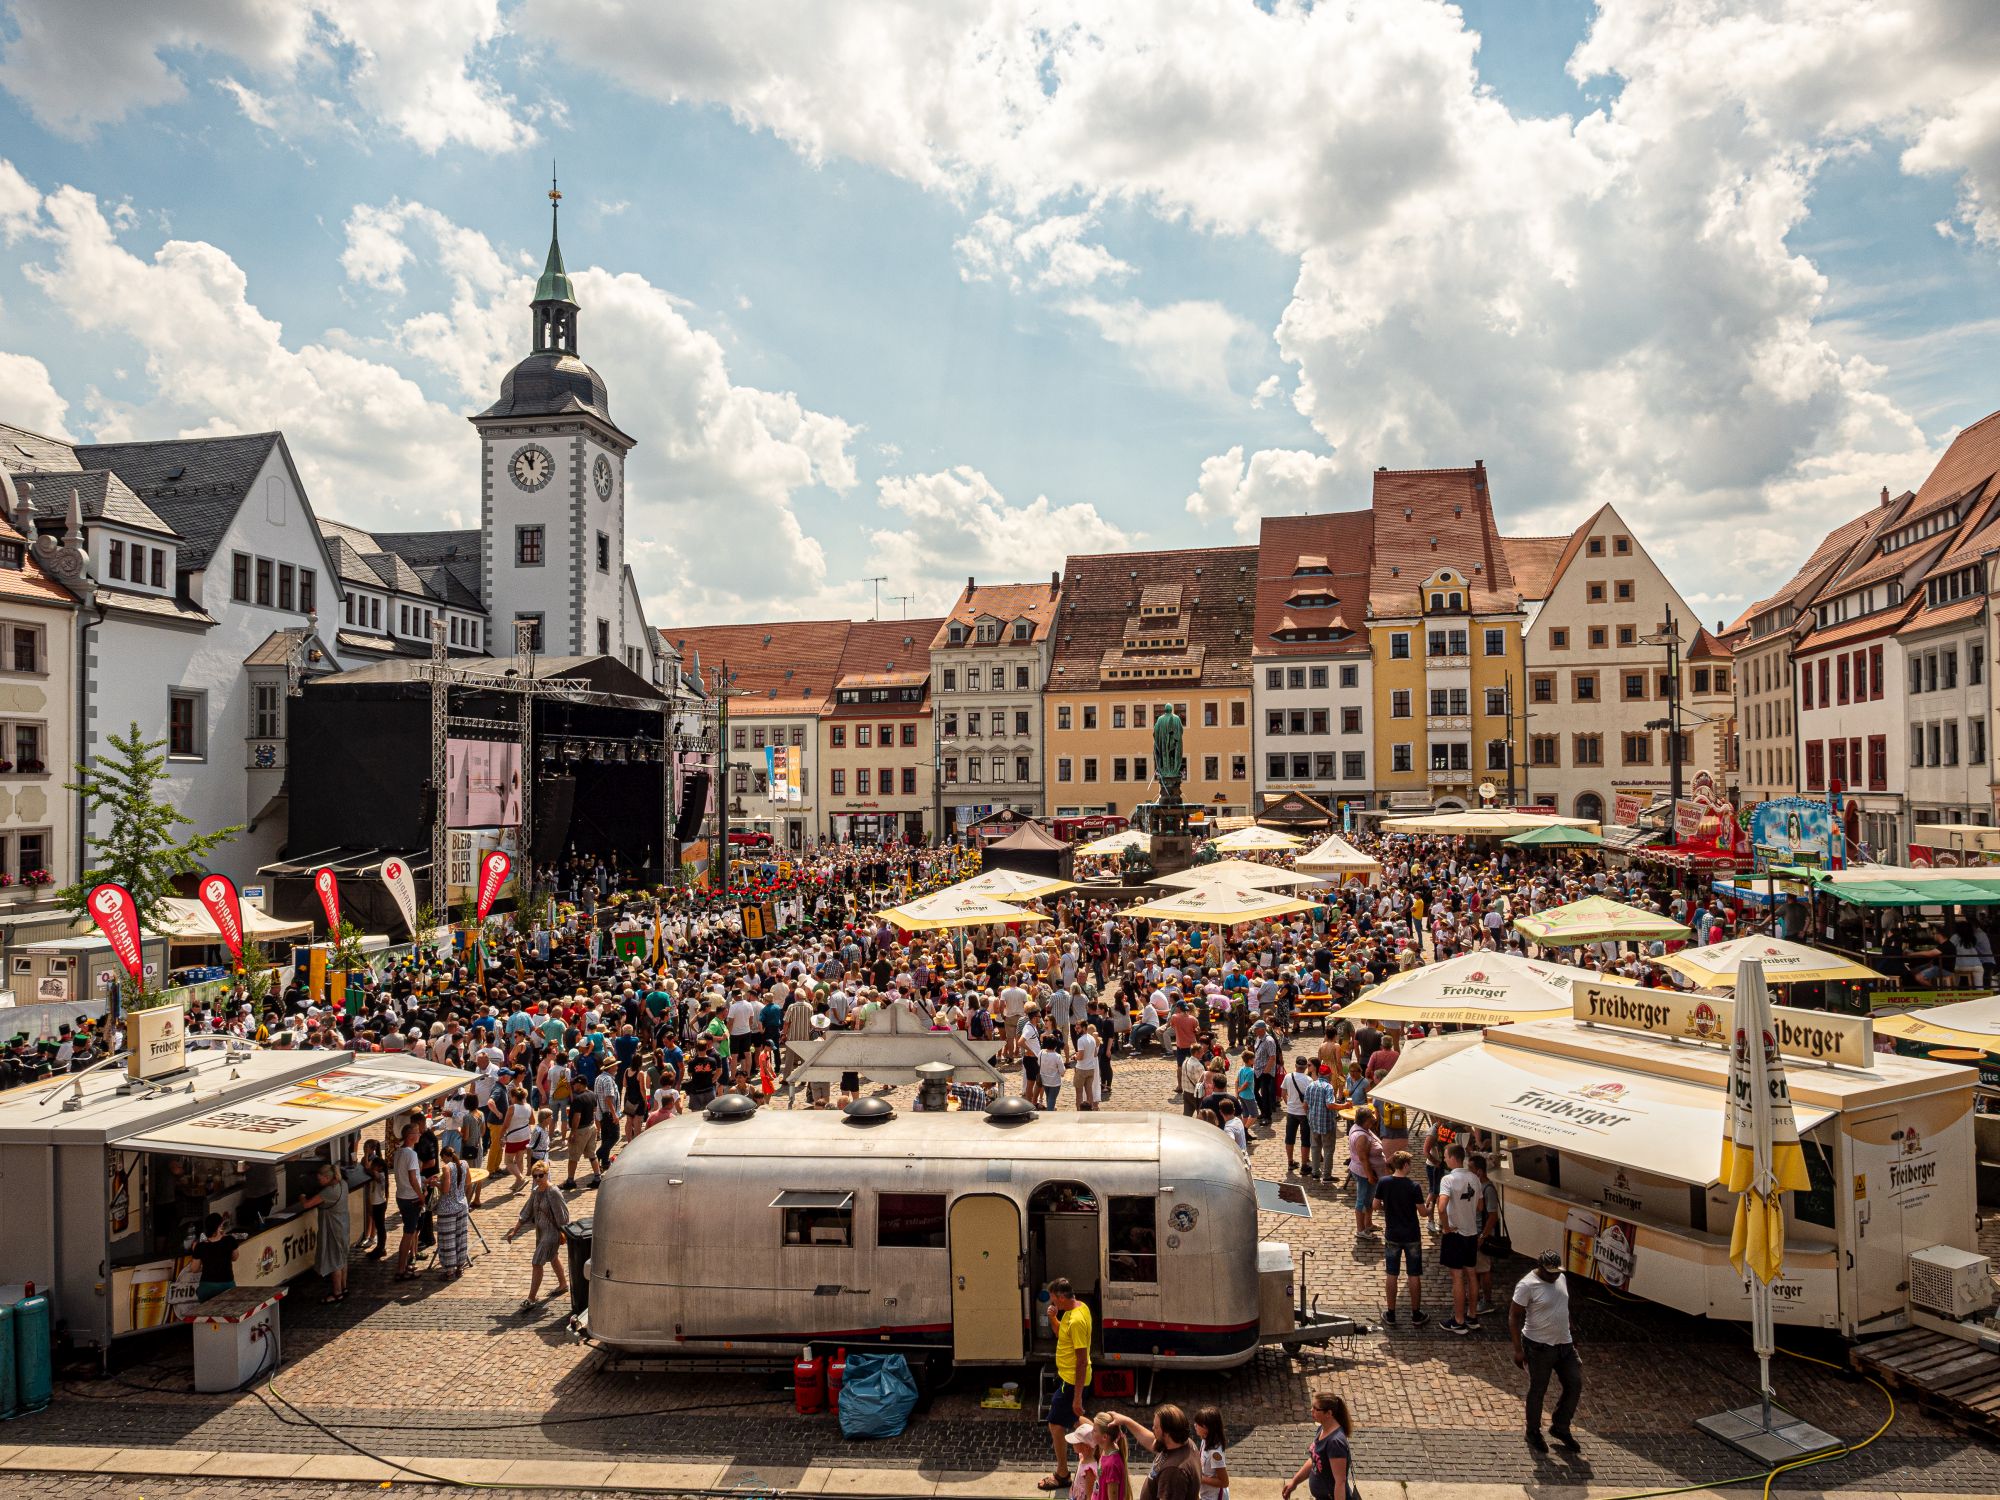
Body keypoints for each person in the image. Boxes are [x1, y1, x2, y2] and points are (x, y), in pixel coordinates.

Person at [1511, 1249, 1582, 1453]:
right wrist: (1518, 1350)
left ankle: (1560, 1426)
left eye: (1557, 1272)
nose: (1554, 1276)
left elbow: (1562, 1305)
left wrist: (1569, 1329)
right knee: (1538, 1390)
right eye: (1550, 1272)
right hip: (1539, 1347)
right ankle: (1533, 1431)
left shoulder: (1561, 1278)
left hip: (1564, 1345)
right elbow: (1514, 1317)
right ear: (1540, 1268)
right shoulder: (1527, 1285)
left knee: (1575, 1383)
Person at [1041, 1277, 1094, 1491]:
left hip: (1072, 1381)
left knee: (1055, 1423)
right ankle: (1104, 1441)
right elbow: (1061, 1334)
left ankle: (1062, 1474)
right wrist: (1053, 1318)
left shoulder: (1077, 1321)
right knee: (1075, 1419)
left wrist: (1077, 1396)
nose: (1052, 1304)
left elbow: (1081, 1360)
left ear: (1062, 1297)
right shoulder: (1077, 1309)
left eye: (1054, 1300)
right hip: (1066, 1378)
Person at [506, 1159, 572, 1308]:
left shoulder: (553, 1192)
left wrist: (566, 1234)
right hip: (541, 1232)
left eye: (540, 1175)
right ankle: (563, 1284)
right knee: (553, 1257)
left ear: (547, 1175)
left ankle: (531, 1298)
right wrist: (514, 1230)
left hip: (552, 1233)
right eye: (534, 1176)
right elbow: (526, 1211)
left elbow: (563, 1216)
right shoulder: (535, 1192)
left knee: (537, 1262)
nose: (537, 1179)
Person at [1374, 1150, 1428, 1327]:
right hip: (1411, 1234)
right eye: (1410, 1164)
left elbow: (1375, 1205)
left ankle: (1390, 1313)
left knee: (1392, 1273)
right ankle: (1416, 1313)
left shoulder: (1384, 1182)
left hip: (1393, 1234)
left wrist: (1388, 1209)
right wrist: (1429, 1207)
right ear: (1405, 1165)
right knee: (1413, 1274)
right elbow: (1422, 1212)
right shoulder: (1414, 1187)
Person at [1103, 1405, 1200, 1500]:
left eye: (1156, 1427)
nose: (1152, 1428)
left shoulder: (1174, 1471)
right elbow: (1151, 1441)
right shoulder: (1184, 1442)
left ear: (1167, 1433)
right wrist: (1127, 1421)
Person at [1436, 1143, 1482, 1335]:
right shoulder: (1475, 1178)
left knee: (1457, 1277)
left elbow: (1441, 1207)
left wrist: (1446, 1227)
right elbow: (1480, 1207)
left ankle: (1459, 1320)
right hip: (1471, 1232)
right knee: (1471, 1274)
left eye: (1445, 1156)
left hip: (1455, 1234)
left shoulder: (1448, 1180)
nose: (1444, 1159)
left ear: (1453, 1157)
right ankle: (1472, 1316)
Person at [294, 1161, 352, 1304]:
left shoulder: (328, 1192)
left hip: (333, 1228)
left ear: (327, 1178)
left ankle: (337, 1292)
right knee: (342, 1257)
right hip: (343, 1224)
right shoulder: (342, 1184)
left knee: (334, 1261)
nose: (319, 1182)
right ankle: (344, 1287)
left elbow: (307, 1204)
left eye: (320, 1179)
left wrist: (301, 1196)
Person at [1281, 1392, 1354, 1500]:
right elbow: (1314, 1459)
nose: (1311, 1410)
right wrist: (1294, 1482)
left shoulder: (1335, 1443)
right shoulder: (1322, 1429)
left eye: (1316, 1409)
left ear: (1328, 1413)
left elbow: (1340, 1482)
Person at [392, 1120, 425, 1281]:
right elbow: (412, 1178)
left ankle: (405, 1264)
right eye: (417, 1132)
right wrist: (421, 1196)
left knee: (409, 1231)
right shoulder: (411, 1154)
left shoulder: (399, 1152)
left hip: (401, 1196)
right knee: (408, 1233)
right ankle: (401, 1268)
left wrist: (423, 1181)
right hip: (411, 1198)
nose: (419, 1134)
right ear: (411, 1136)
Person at [434, 1143, 472, 1279]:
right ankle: (459, 1267)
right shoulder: (465, 1164)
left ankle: (449, 1271)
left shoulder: (446, 1168)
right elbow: (468, 1183)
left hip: (447, 1208)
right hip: (462, 1205)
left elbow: (445, 1189)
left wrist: (434, 1183)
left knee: (448, 1239)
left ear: (445, 1156)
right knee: (461, 1237)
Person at [1346, 1108, 1386, 1237]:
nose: (1374, 1118)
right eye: (1371, 1117)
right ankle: (1360, 1229)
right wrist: (1370, 1175)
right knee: (1362, 1200)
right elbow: (1363, 1158)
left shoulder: (1362, 1129)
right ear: (1365, 1120)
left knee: (1368, 1198)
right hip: (1364, 1173)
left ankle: (1368, 1223)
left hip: (1370, 1172)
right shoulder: (1361, 1136)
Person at [193, 1212, 238, 1302]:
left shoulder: (200, 1246)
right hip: (227, 1285)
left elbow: (194, 1269)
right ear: (219, 1226)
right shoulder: (229, 1240)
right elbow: (235, 1257)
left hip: (207, 1287)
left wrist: (195, 1250)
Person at [1281, 1053, 1313, 1175]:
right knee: (1305, 1139)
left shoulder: (1288, 1077)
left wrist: (1288, 1103)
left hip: (1291, 1111)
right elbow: (1309, 1098)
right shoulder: (1309, 1080)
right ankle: (1304, 1165)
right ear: (1305, 1067)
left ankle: (1290, 1162)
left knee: (1290, 1137)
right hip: (1304, 1113)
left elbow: (1283, 1093)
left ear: (1295, 1065)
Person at [1191, 1406, 1229, 1500]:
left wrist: (1200, 1478)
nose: (1195, 1425)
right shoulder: (1205, 1439)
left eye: (1198, 1424)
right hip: (1205, 1493)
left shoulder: (1215, 1454)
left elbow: (1224, 1482)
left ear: (1206, 1428)